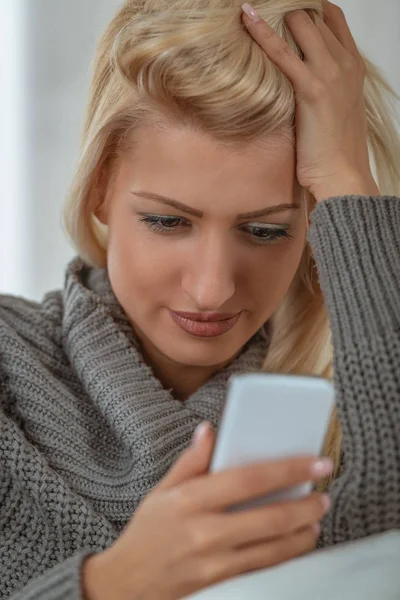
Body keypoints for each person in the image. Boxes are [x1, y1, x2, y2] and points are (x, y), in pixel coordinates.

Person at [1, 0, 400, 598]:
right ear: (100, 190)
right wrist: (113, 586)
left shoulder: (365, 399)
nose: (212, 289)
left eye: (265, 231)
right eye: (167, 221)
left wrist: (348, 178)